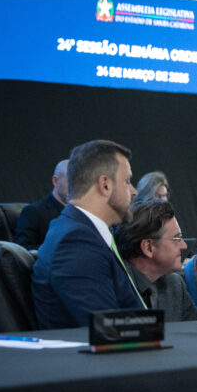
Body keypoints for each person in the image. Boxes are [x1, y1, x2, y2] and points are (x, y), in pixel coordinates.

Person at [32, 140, 146, 329]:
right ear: (105, 185)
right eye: (127, 181)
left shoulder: (83, 234)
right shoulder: (75, 243)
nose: (134, 192)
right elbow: (110, 329)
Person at [114, 200, 197, 322]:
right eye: (176, 238)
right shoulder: (115, 287)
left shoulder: (174, 285)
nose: (184, 246)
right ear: (148, 247)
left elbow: (195, 329)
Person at [13, 159, 68, 250]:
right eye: (71, 182)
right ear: (56, 181)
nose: (77, 188)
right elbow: (23, 249)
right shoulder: (33, 212)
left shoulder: (82, 211)